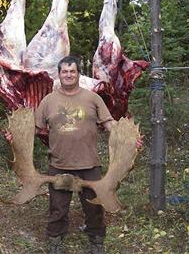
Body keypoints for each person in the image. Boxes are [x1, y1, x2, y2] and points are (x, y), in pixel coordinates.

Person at [34, 55, 117, 254]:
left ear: (79, 73)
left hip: (89, 164)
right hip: (59, 164)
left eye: (72, 71)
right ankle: (55, 241)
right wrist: (17, 137)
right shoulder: (48, 101)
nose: (69, 75)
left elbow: (109, 124)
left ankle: (96, 241)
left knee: (94, 207)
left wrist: (127, 136)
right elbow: (35, 129)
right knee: (58, 208)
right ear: (59, 74)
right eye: (65, 71)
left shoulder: (92, 98)